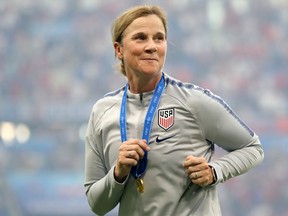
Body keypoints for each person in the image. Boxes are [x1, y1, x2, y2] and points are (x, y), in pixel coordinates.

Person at [84, 5, 264, 216]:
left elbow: (253, 148)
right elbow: (97, 205)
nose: (152, 46)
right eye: (141, 38)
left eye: (159, 38)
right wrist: (117, 173)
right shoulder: (102, 111)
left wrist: (215, 171)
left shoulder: (194, 101)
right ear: (119, 50)